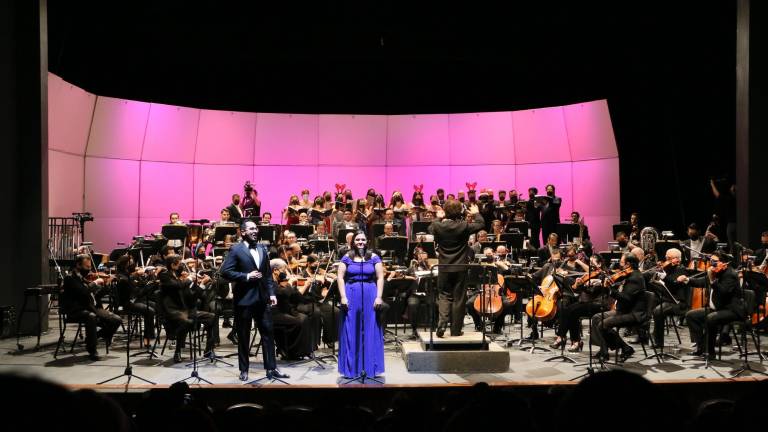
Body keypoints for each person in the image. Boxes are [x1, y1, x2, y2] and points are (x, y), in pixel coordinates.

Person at [220, 220, 288, 382]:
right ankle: (244, 369)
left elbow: (267, 275)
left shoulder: (262, 248)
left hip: (262, 298)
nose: (255, 231)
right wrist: (246, 276)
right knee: (244, 336)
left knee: (268, 333)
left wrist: (271, 294)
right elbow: (225, 271)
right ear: (243, 232)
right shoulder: (236, 249)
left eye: (256, 228)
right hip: (244, 299)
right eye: (251, 229)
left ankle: (271, 368)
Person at [429, 199, 485, 337]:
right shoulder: (464, 226)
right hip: (461, 267)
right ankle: (455, 330)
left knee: (444, 296)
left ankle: (442, 323)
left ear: (445, 211)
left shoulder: (438, 226)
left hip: (444, 267)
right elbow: (481, 224)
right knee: (459, 299)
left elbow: (430, 228)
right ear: (460, 211)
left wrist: (438, 217)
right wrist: (476, 213)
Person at [337, 231, 385, 378]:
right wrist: (343, 296)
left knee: (370, 328)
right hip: (351, 293)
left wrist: (379, 297)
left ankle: (370, 367)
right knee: (351, 329)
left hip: (370, 293)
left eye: (363, 240)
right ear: (353, 242)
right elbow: (340, 277)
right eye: (358, 240)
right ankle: (351, 369)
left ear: (367, 241)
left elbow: (380, 277)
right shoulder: (347, 257)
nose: (360, 242)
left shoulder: (374, 257)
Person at [681, 251, 746, 357]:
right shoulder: (716, 272)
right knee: (691, 315)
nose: (712, 264)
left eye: (715, 262)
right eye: (711, 261)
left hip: (731, 309)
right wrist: (687, 280)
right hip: (717, 308)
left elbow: (723, 292)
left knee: (711, 318)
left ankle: (710, 352)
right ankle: (701, 347)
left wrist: (712, 280)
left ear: (724, 263)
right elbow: (702, 282)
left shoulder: (730, 275)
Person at [158, 255, 218, 363]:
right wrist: (188, 279)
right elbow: (176, 285)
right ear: (173, 265)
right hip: (173, 311)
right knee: (186, 321)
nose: (183, 267)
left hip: (187, 310)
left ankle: (208, 350)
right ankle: (177, 351)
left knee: (212, 317)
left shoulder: (180, 277)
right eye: (179, 264)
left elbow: (192, 298)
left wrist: (200, 284)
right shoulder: (165, 276)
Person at [60, 254, 121, 360]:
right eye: (87, 267)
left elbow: (97, 295)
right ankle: (92, 351)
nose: (89, 270)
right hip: (76, 310)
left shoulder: (83, 278)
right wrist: (94, 283)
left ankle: (95, 337)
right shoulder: (70, 278)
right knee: (91, 317)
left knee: (117, 320)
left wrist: (106, 285)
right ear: (78, 265)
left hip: (90, 307)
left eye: (90, 267)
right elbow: (82, 292)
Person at [590, 252, 647, 362]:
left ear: (628, 264)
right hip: (623, 310)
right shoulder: (629, 275)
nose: (620, 265)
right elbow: (621, 286)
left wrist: (611, 289)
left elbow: (626, 298)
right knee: (596, 318)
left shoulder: (636, 278)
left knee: (603, 325)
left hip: (633, 313)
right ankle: (604, 350)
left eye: (621, 262)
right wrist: (608, 283)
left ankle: (625, 348)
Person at [114, 255, 156, 347]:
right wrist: (136, 276)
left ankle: (152, 334)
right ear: (125, 265)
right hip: (127, 303)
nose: (134, 265)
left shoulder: (128, 274)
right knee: (150, 311)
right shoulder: (121, 277)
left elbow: (138, 287)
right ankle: (147, 338)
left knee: (156, 305)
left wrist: (147, 277)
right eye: (131, 263)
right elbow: (131, 288)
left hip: (136, 299)